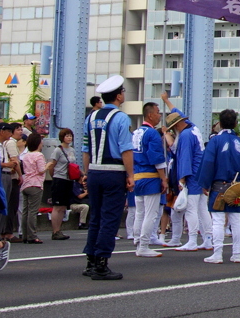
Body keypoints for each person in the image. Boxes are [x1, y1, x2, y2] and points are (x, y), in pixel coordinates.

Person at [81, 75, 135, 281]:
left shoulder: (91, 118)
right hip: (114, 172)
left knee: (95, 217)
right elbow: (126, 150)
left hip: (94, 171)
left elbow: (86, 149)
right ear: (119, 96)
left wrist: (87, 173)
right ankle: (102, 264)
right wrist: (130, 175)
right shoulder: (121, 118)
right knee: (110, 218)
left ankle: (91, 260)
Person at [198, 109, 240, 264]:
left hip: (218, 184)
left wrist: (205, 184)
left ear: (220, 124)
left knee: (218, 220)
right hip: (237, 186)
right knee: (236, 220)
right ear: (235, 123)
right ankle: (236, 254)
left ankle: (217, 253)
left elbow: (208, 163)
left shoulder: (214, 141)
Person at [167, 110, 211, 251]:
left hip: (192, 174)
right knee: (202, 208)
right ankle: (208, 238)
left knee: (191, 209)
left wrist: (182, 178)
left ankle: (192, 239)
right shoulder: (194, 129)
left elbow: (185, 158)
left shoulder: (185, 135)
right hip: (201, 173)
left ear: (177, 124)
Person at [131, 102, 168, 258]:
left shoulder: (137, 132)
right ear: (150, 115)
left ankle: (138, 240)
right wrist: (164, 179)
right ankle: (144, 245)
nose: (160, 115)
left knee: (140, 212)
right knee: (150, 213)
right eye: (158, 112)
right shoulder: (152, 133)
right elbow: (156, 158)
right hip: (150, 176)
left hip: (138, 175)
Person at [48, 128, 76, 240]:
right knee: (57, 206)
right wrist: (54, 177)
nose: (69, 138)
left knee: (63, 207)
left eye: (70, 136)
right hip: (59, 179)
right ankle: (55, 231)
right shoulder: (58, 150)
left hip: (68, 180)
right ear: (62, 137)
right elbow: (51, 165)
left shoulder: (72, 150)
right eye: (66, 136)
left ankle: (59, 229)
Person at [19, 132, 46, 244]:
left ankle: (24, 235)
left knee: (25, 211)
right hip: (36, 184)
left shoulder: (26, 155)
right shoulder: (39, 155)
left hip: (26, 184)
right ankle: (32, 235)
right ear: (38, 143)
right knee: (33, 211)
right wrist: (48, 165)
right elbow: (41, 170)